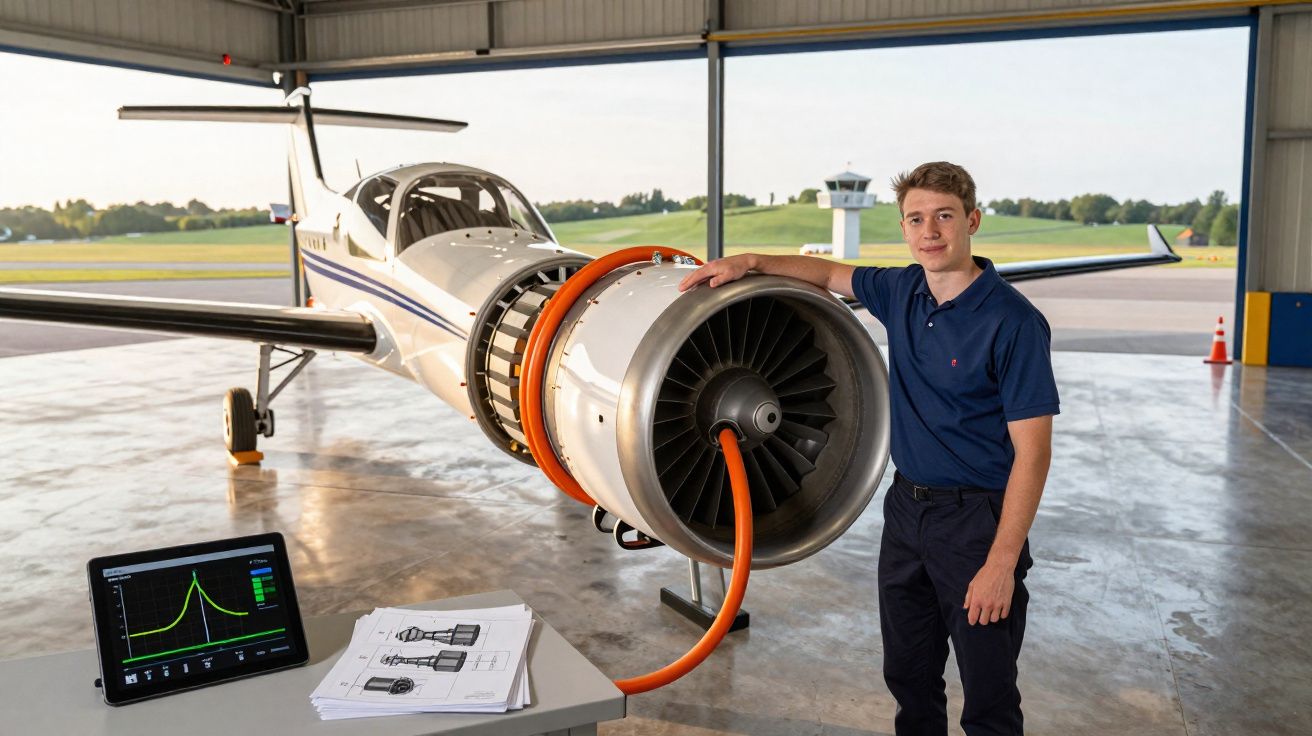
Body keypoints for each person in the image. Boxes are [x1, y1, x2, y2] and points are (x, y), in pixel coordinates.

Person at [678, 161, 1056, 736]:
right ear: (905, 229)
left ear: (972, 220)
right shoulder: (902, 288)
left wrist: (1001, 562)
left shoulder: (1014, 322)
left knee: (988, 694)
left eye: (944, 216)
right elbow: (828, 273)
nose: (930, 231)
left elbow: (1034, 455)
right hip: (907, 512)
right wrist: (750, 261)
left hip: (978, 523)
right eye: (916, 219)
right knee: (909, 676)